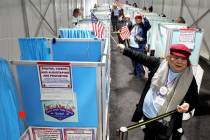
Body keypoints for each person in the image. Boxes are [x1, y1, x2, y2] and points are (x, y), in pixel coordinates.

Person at [116, 43, 198, 140]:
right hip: (148, 114)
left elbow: (194, 99)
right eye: (176, 57)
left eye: (183, 59)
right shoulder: (159, 64)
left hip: (166, 120)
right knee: (148, 136)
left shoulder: (189, 78)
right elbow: (141, 57)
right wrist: (125, 50)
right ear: (169, 57)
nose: (179, 61)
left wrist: (187, 106)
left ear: (187, 61)